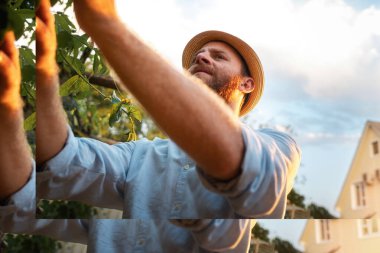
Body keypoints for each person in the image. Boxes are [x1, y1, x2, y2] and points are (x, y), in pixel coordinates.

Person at [35, 0, 301, 219]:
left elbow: (241, 165)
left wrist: (104, 24)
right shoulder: (140, 155)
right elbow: (61, 163)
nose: (201, 57)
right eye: (201, 54)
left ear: (247, 84)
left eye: (218, 57)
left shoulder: (279, 146)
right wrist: (45, 75)